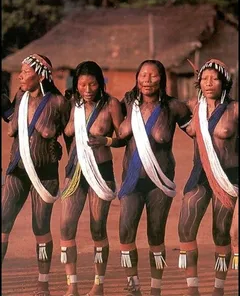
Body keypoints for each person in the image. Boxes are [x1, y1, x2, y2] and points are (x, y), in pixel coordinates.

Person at [117, 59, 192, 296]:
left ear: (162, 79)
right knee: (125, 231)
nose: (147, 80)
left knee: (156, 234)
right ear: (137, 78)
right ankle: (133, 283)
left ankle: (155, 288)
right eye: (143, 75)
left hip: (160, 181)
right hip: (132, 179)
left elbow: (197, 133)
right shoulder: (127, 103)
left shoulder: (174, 107)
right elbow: (117, 137)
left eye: (153, 75)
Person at [1, 54, 71, 296]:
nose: (20, 76)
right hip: (17, 170)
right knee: (3, 221)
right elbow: (12, 123)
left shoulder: (58, 102)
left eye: (25, 72)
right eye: (19, 71)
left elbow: (68, 133)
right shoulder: (20, 96)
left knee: (40, 227)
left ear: (41, 75)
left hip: (45, 174)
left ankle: (43, 282)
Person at [60, 60, 125, 296]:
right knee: (66, 227)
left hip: (101, 171)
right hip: (74, 171)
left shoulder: (112, 105)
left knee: (97, 229)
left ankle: (99, 284)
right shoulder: (71, 105)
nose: (87, 90)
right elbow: (63, 132)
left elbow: (123, 137)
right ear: (76, 85)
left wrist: (105, 141)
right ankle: (72, 285)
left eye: (92, 84)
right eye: (82, 85)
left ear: (100, 84)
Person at [178, 59, 238, 296]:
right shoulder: (192, 106)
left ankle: (218, 289)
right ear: (198, 82)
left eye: (214, 78)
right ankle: (192, 289)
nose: (209, 83)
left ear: (224, 82)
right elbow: (164, 109)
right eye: (204, 78)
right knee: (185, 228)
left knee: (221, 232)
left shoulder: (235, 109)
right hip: (199, 175)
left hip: (228, 177)